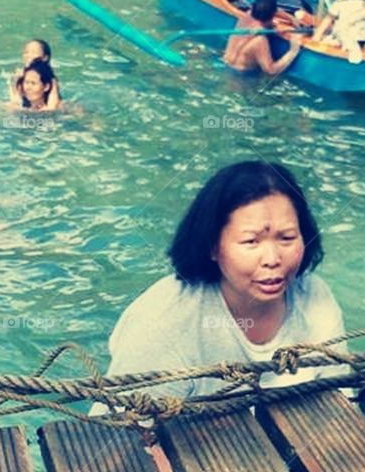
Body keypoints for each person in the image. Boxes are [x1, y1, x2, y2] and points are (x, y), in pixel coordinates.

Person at [104, 160, 346, 401]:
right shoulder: (164, 323)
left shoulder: (314, 296)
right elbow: (124, 431)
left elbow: (340, 402)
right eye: (251, 241)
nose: (272, 259)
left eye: (286, 238)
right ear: (212, 246)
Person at [223, 0, 304, 76]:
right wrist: (293, 50)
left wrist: (291, 18)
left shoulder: (247, 16)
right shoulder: (260, 41)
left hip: (226, 64)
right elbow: (271, 70)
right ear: (272, 15)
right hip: (242, 77)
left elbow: (274, 11)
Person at [8, 38, 61, 107]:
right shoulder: (20, 74)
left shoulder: (51, 80)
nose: (28, 55)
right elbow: (15, 100)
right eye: (26, 52)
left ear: (45, 58)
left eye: (34, 52)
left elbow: (52, 106)